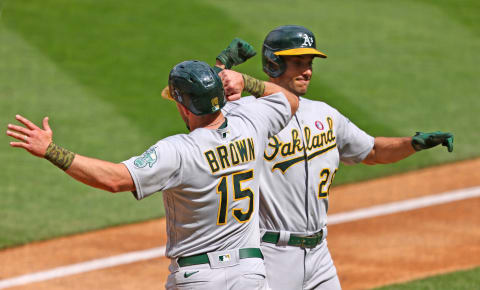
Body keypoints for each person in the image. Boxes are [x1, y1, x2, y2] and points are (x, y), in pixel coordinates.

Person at [6, 60, 299, 289]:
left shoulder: (178, 150)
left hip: (199, 279)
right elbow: (289, 101)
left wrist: (51, 151)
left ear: (184, 107)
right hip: (251, 274)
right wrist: (245, 81)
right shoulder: (252, 124)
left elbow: (114, 179)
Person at [221, 25, 454, 289]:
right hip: (271, 254)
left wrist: (412, 143)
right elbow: (202, 113)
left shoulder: (324, 114)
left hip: (320, 254)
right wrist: (220, 69)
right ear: (274, 64)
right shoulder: (248, 115)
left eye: (309, 63)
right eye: (298, 63)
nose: (307, 71)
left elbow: (373, 151)